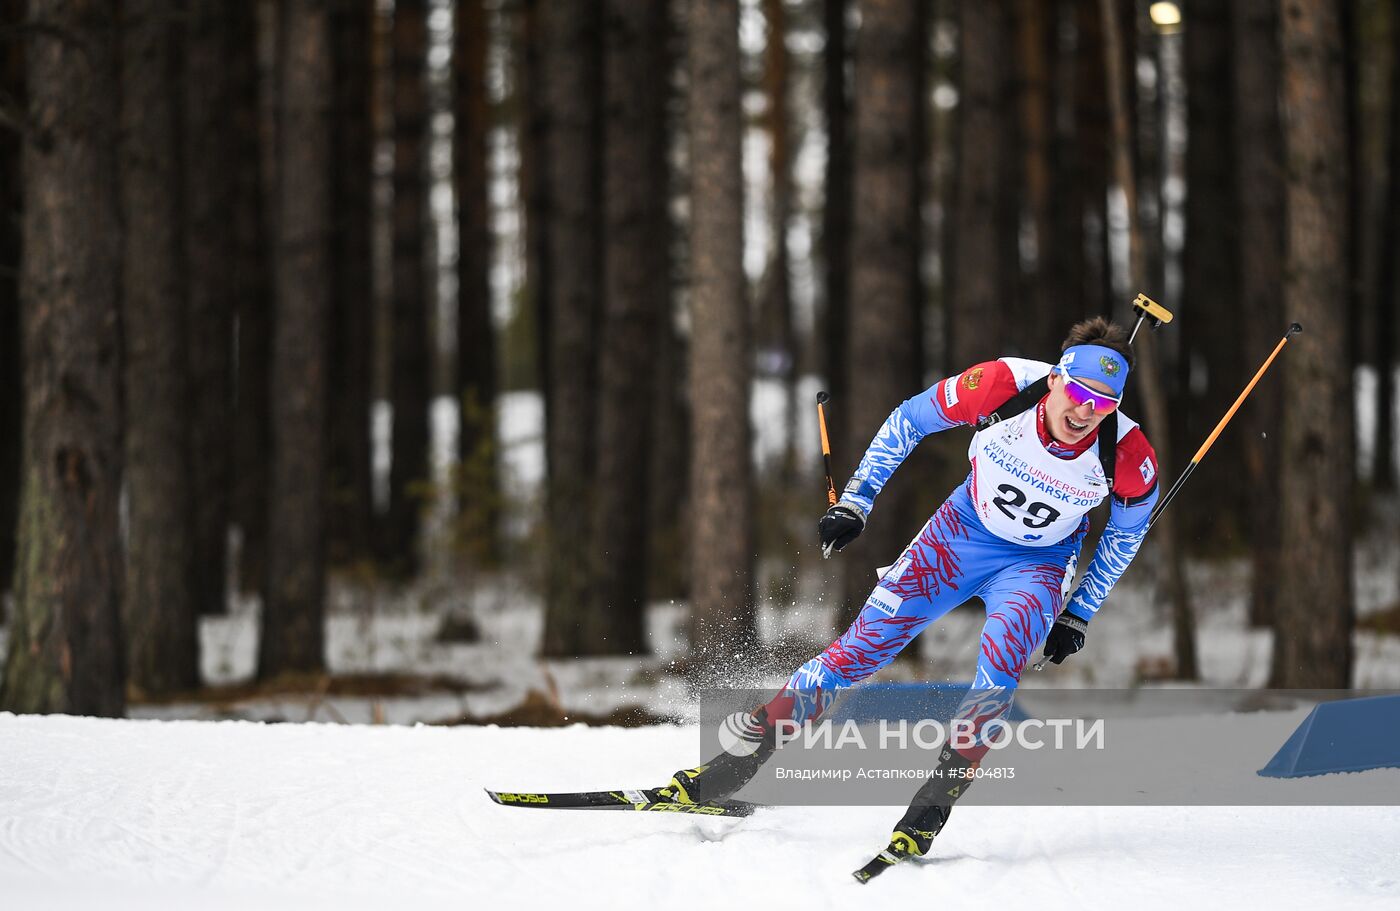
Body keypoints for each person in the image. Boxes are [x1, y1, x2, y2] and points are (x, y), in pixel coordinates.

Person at [660, 316, 1161, 858]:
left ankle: (931, 806)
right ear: (1059, 378)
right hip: (959, 534)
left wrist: (1078, 612)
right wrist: (856, 500)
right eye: (1082, 392)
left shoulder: (1131, 458)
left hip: (1038, 564)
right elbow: (908, 420)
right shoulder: (1002, 384)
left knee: (999, 668)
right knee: (857, 651)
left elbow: (1123, 538)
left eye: (1105, 403)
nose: (1087, 411)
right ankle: (731, 768)